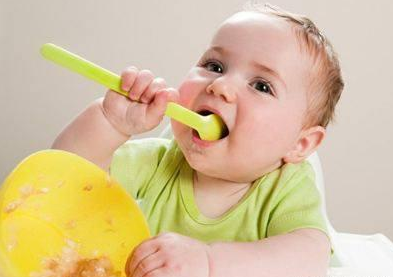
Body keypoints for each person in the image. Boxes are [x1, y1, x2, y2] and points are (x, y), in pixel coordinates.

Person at [52, 2, 344, 277]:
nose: (221, 85)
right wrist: (110, 122)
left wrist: (209, 261)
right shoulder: (161, 161)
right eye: (215, 66)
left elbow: (310, 255)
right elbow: (65, 180)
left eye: (261, 86)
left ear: (300, 145)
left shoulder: (286, 186)